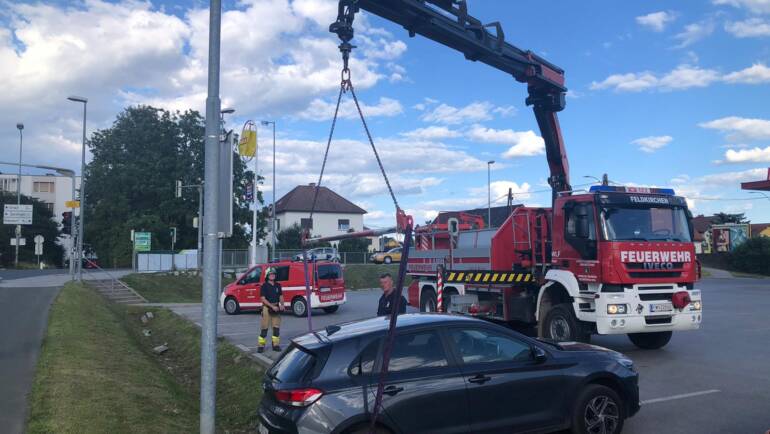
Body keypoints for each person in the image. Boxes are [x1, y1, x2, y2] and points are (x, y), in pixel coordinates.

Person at [258, 267, 284, 352]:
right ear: (267, 275)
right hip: (267, 308)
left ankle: (275, 345)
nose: (272, 276)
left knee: (276, 329)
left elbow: (280, 295)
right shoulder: (264, 286)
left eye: (274, 274)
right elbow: (263, 299)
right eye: (271, 274)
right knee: (264, 329)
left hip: (276, 308)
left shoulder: (278, 285)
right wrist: (272, 307)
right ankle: (261, 346)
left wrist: (282, 304)